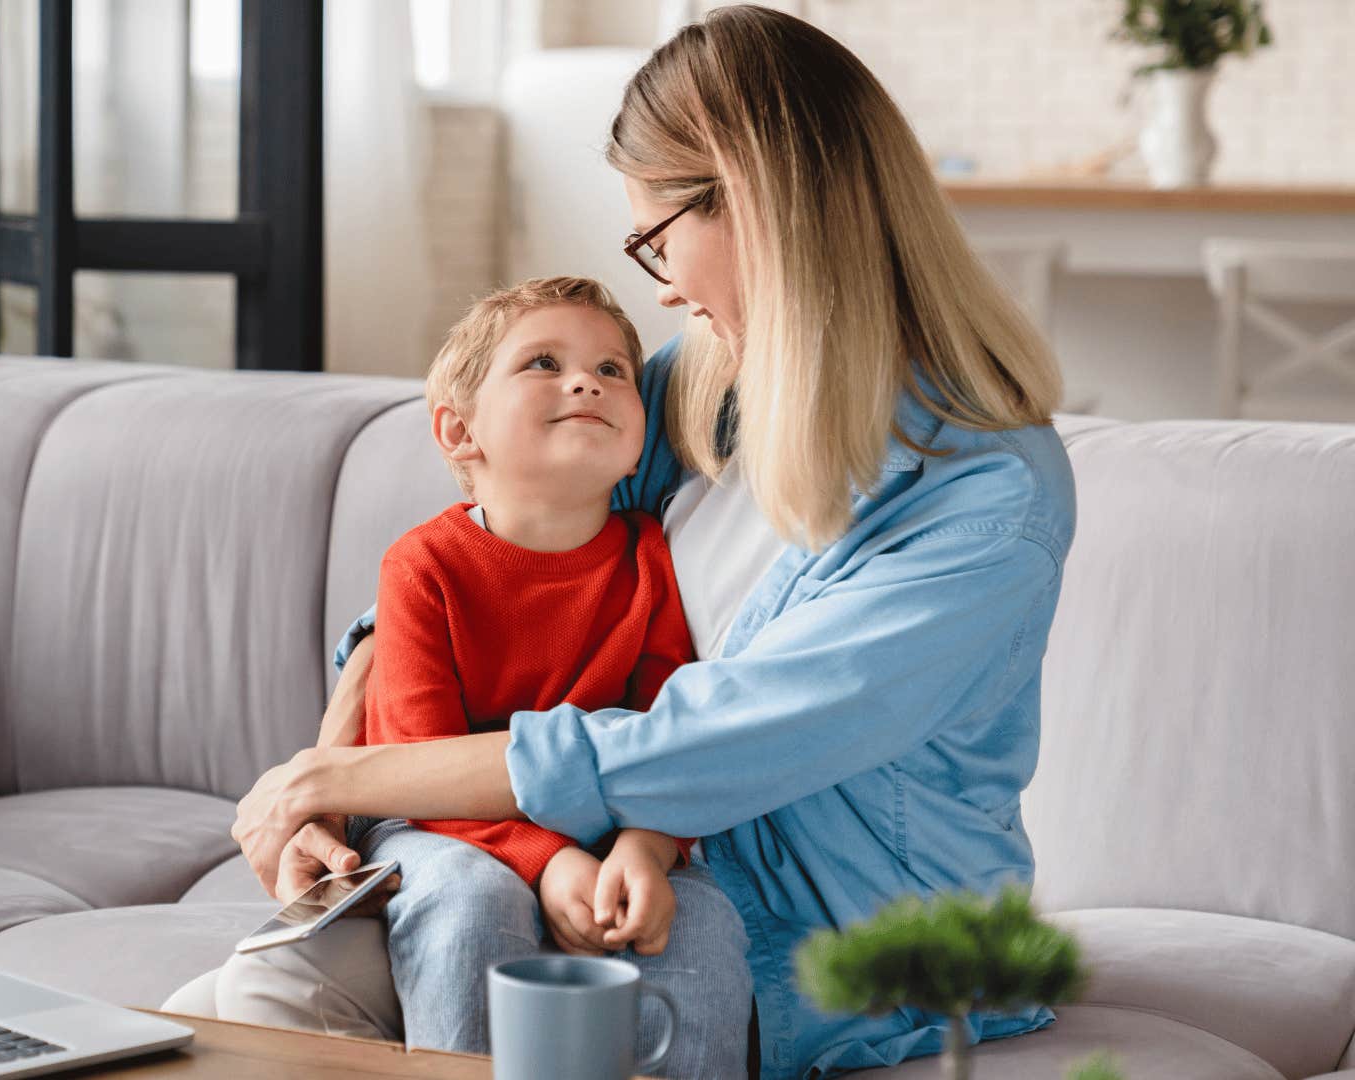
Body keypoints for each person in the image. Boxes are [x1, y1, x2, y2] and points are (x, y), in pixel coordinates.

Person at [186, 7, 1076, 1078]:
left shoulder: (981, 499)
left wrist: (356, 775)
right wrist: (327, 778)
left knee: (276, 1017)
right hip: (603, 871)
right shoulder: (703, 387)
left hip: (812, 950)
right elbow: (488, 565)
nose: (659, 284)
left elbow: (704, 741)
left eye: (659, 236)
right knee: (240, 1002)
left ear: (753, 202)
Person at [329, 275, 745, 1075]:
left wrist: (646, 852)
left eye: (614, 369)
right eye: (543, 363)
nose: (585, 380)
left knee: (700, 919)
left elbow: (671, 739)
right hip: (431, 825)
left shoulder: (654, 558)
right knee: (472, 899)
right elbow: (418, 767)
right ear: (458, 431)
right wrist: (548, 862)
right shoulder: (422, 568)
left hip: (606, 830)